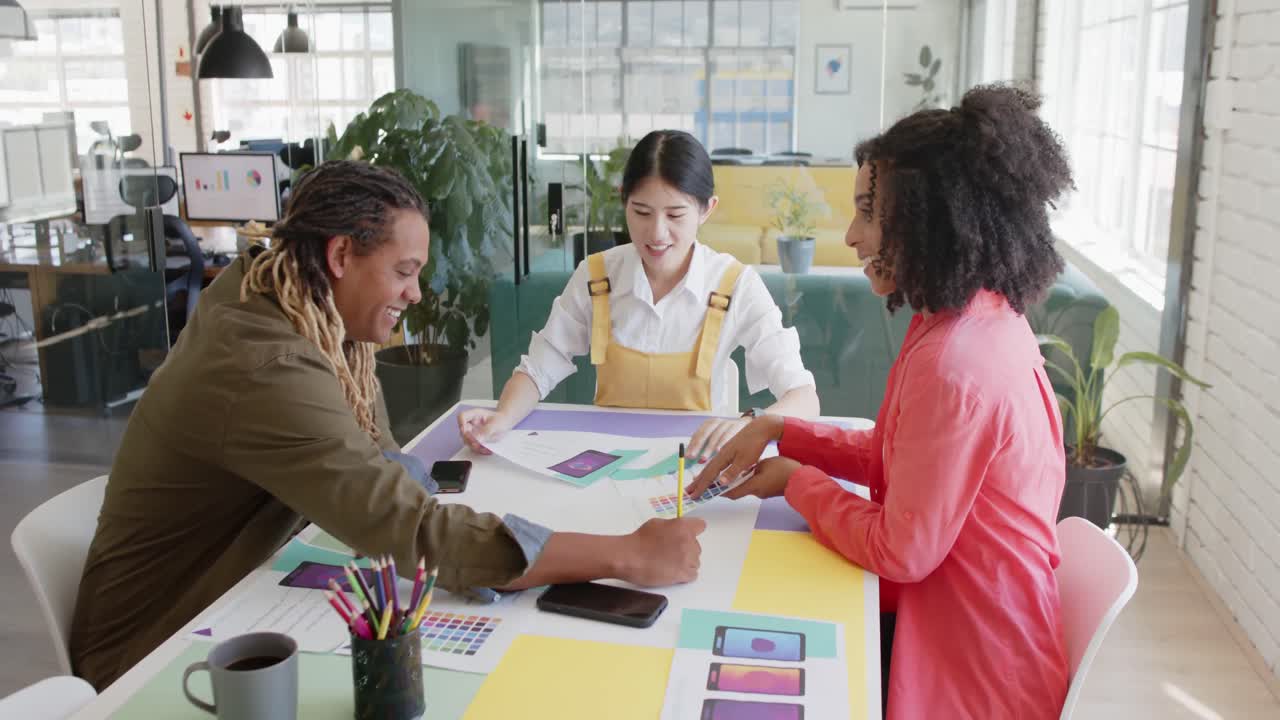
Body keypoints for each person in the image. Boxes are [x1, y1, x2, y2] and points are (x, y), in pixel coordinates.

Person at [70, 161, 706, 691]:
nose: (417, 294)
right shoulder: (263, 360)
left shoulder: (298, 303)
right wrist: (625, 553)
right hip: (155, 654)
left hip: (244, 594)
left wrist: (485, 540)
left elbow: (381, 466)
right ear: (341, 255)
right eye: (404, 272)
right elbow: (408, 528)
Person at [687, 85, 1073, 719]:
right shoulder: (967, 318)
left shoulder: (955, 364)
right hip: (973, 625)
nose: (852, 235)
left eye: (870, 213)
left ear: (930, 219)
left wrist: (796, 481)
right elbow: (904, 458)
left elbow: (902, 551)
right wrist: (784, 429)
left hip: (971, 671)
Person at [459, 130, 819, 461]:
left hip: (695, 466)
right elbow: (538, 369)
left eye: (675, 215)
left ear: (707, 209)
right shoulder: (596, 276)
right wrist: (501, 418)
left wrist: (751, 425)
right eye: (642, 212)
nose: (657, 233)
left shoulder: (735, 284)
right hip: (605, 463)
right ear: (623, 200)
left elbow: (803, 397)